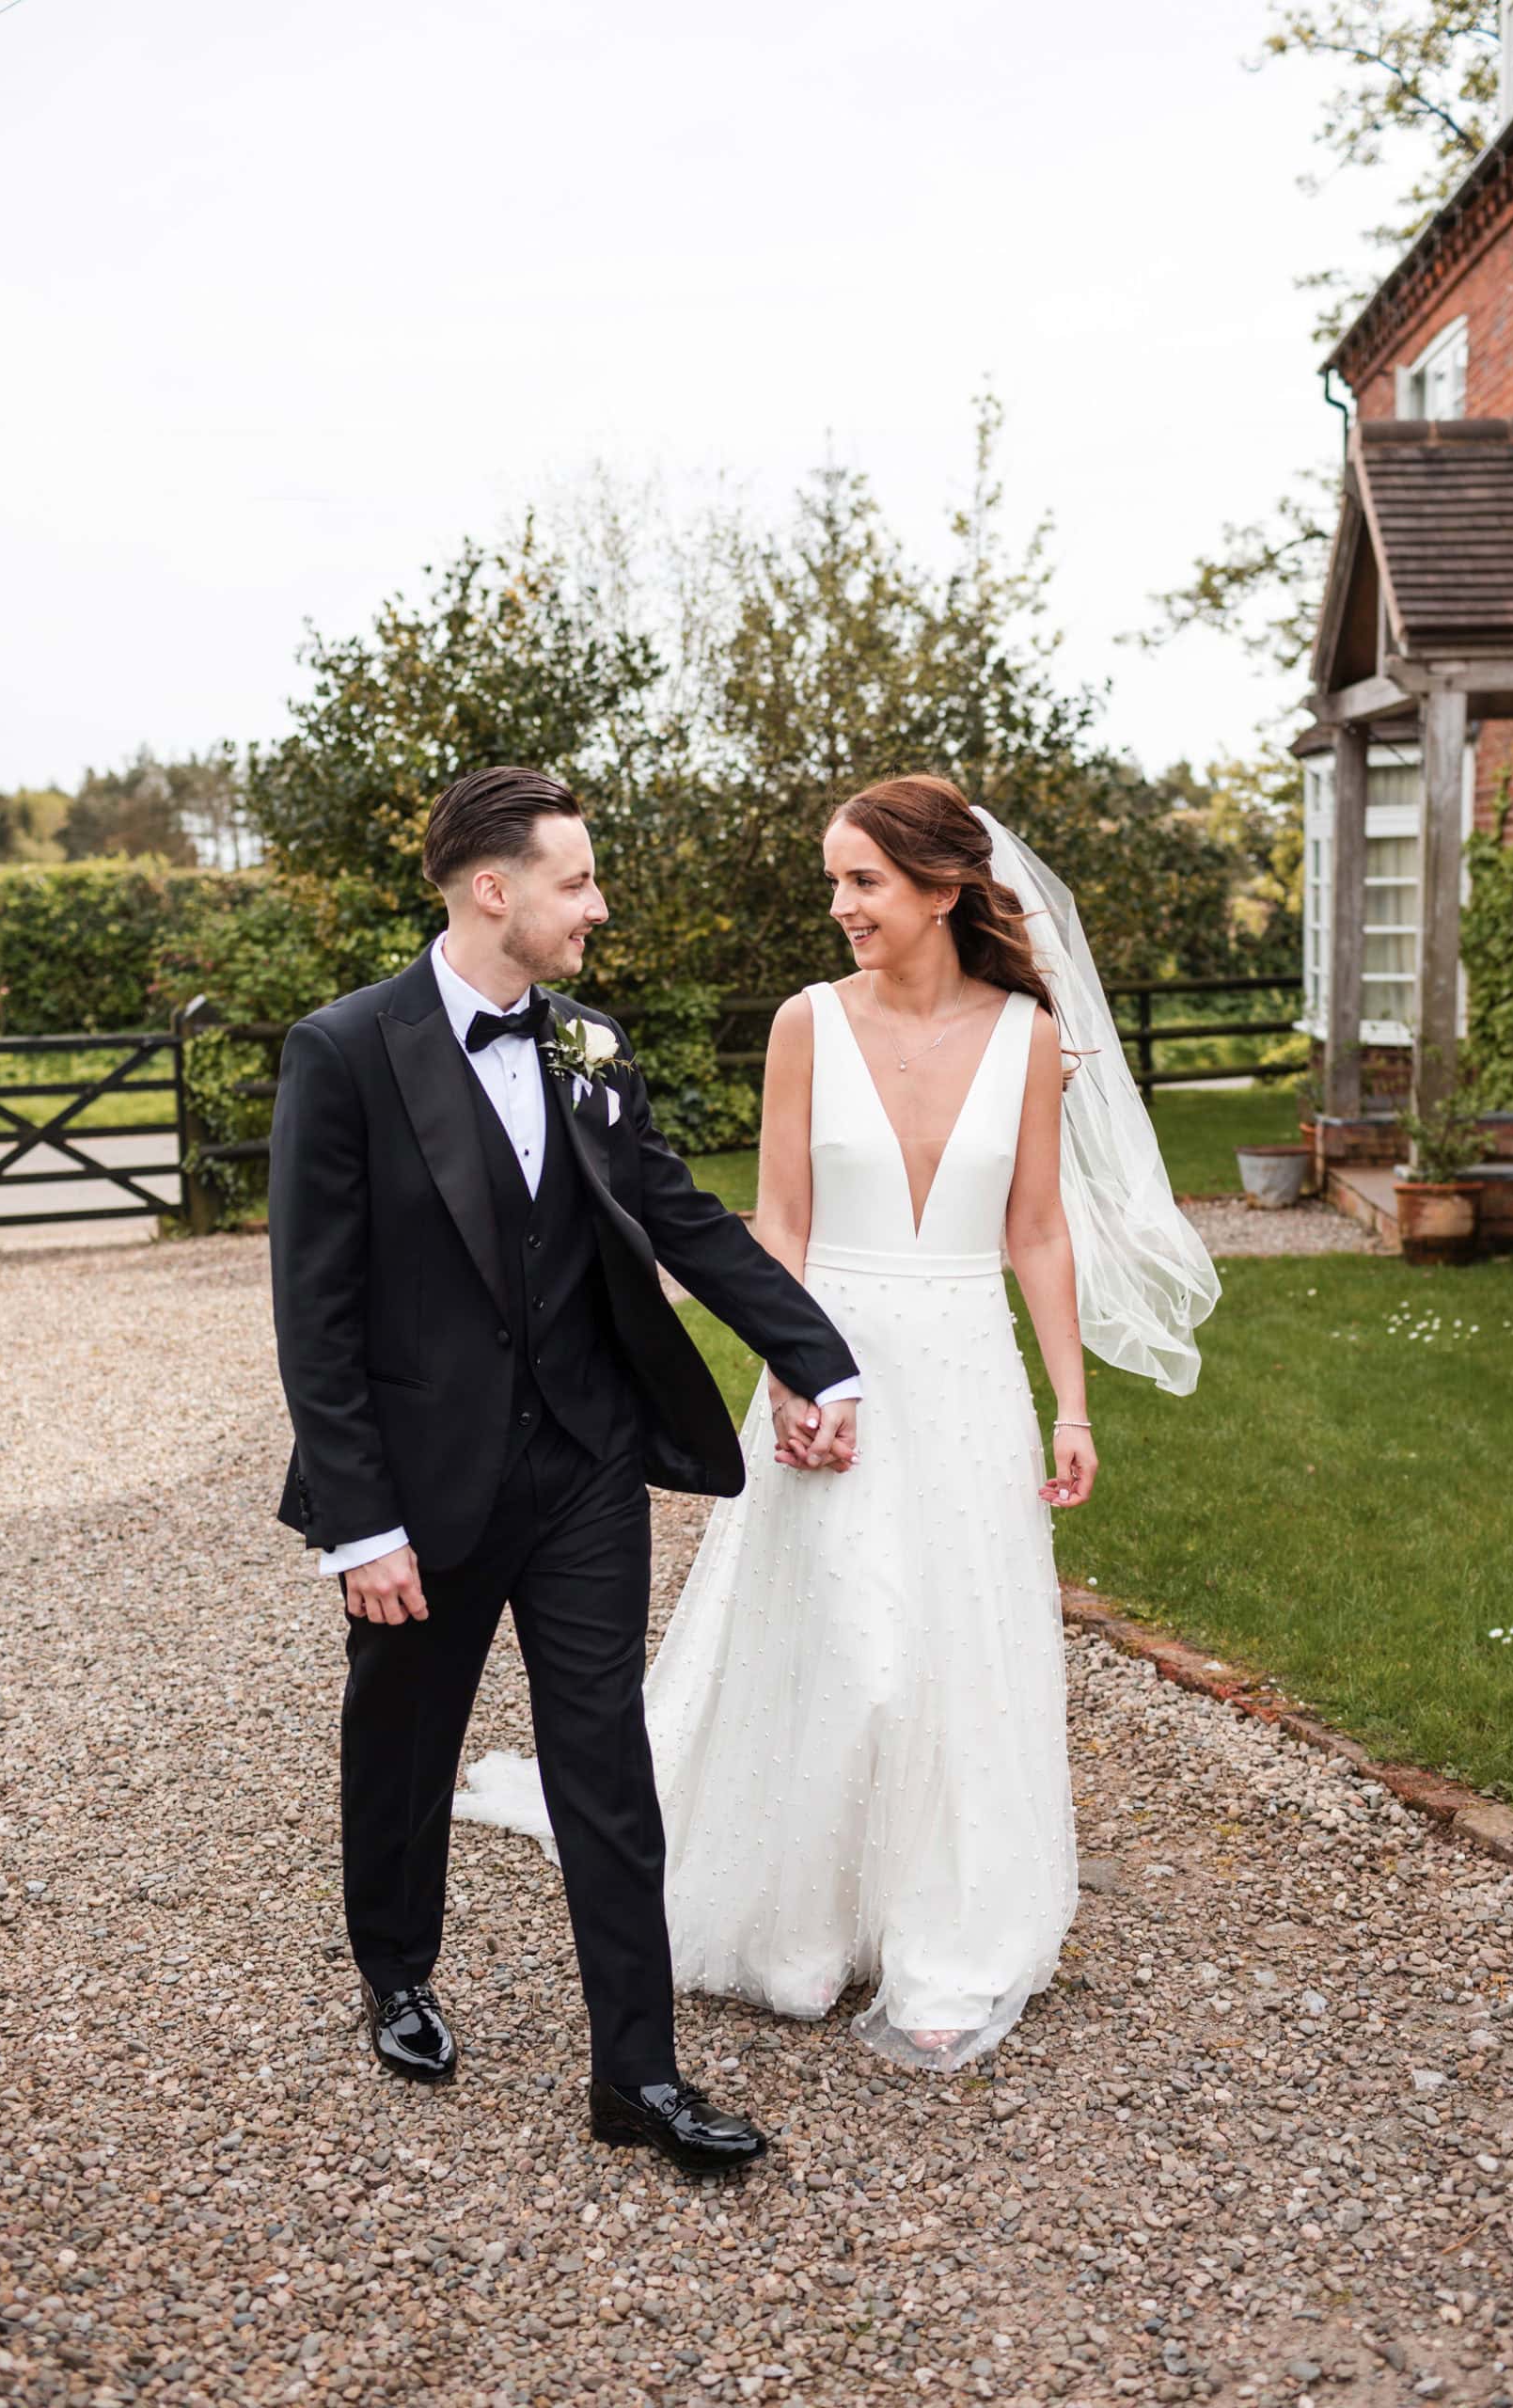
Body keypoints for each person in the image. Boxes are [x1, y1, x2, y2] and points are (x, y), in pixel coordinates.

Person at [457, 773, 1220, 2070]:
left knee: (948, 1653)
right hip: (831, 1360)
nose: (841, 906)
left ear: (940, 889)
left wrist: (1072, 1404)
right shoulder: (807, 1022)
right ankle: (791, 1924)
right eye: (836, 881)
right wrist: (801, 1370)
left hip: (969, 1376)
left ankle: (941, 1935)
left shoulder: (1027, 1037)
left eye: (863, 881)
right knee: (843, 1642)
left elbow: (1037, 1229)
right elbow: (781, 1225)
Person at [268, 764, 862, 2173]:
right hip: (423, 1482)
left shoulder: (590, 1044)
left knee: (605, 1757)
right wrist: (362, 1526)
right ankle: (398, 1970)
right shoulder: (347, 1051)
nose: (596, 907)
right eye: (576, 881)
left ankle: (637, 2076)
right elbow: (317, 1307)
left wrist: (817, 1355)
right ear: (497, 890)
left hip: (587, 1459)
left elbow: (679, 1215)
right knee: (405, 1743)